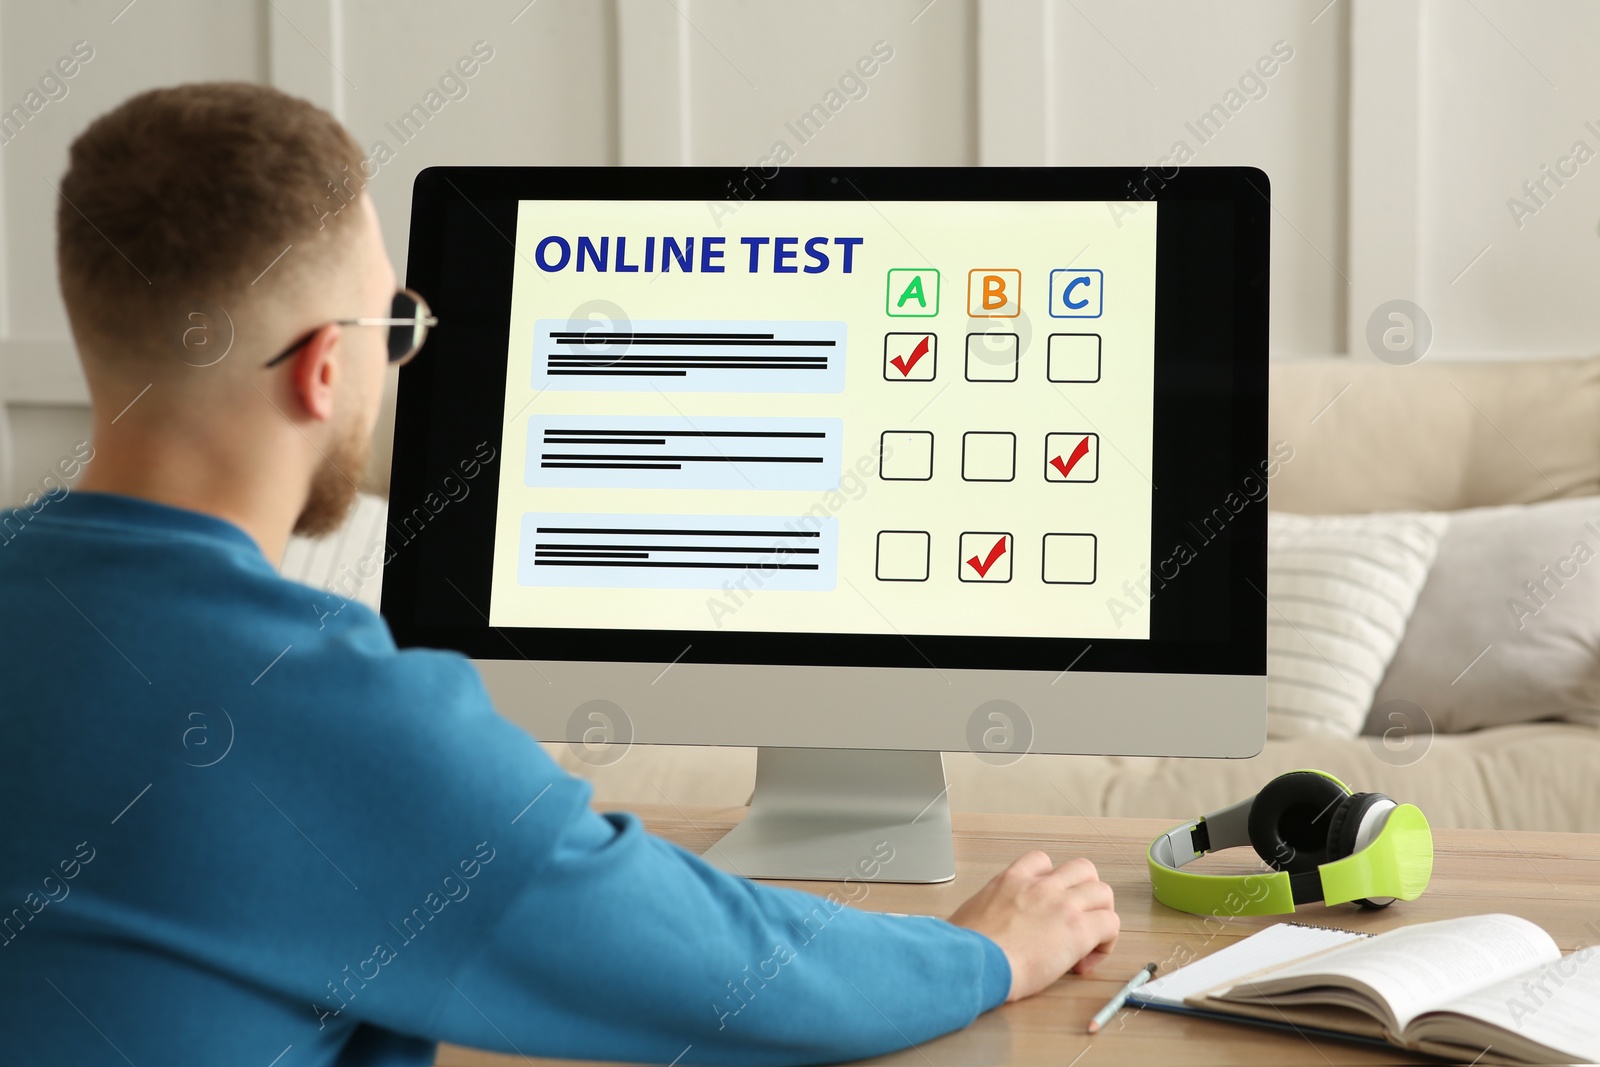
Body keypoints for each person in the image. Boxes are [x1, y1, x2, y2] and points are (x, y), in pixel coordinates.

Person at [0, 83, 1119, 1067]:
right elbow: (730, 976)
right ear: (326, 367)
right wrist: (986, 951)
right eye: (398, 324)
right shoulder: (314, 707)